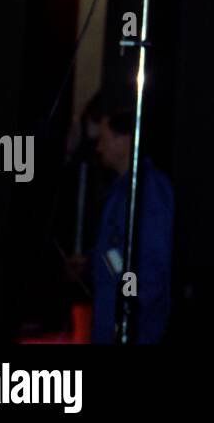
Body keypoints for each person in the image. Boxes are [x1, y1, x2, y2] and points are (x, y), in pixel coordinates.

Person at [67, 97, 174, 343]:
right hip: (110, 324)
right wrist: (91, 263)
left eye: (104, 139)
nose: (99, 148)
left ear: (124, 140)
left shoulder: (148, 190)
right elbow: (116, 252)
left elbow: (149, 267)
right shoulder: (120, 191)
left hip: (131, 331)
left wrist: (130, 313)